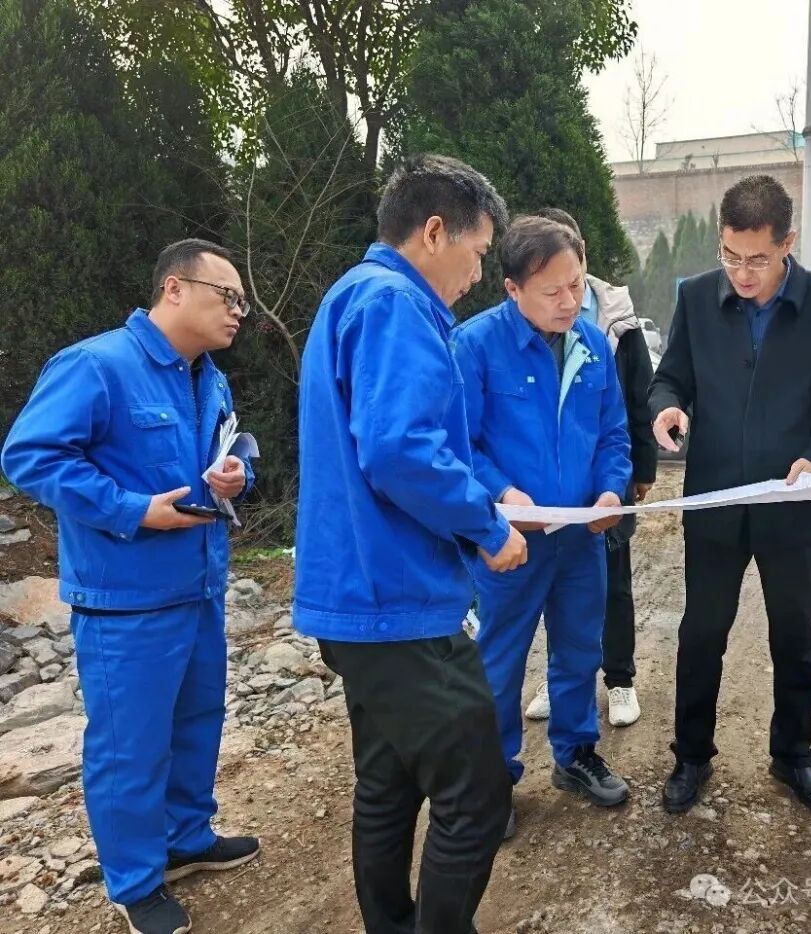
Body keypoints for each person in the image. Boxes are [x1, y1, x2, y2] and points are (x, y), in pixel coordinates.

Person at [292, 154, 527, 934]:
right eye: (478, 252)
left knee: (389, 782)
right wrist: (487, 526)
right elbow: (399, 450)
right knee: (477, 789)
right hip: (396, 601)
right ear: (434, 233)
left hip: (358, 596)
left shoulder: (352, 295)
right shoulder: (396, 303)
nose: (478, 274)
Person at [2, 239, 259, 934]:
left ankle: (187, 838)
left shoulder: (207, 377)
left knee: (197, 723)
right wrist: (132, 509)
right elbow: (29, 455)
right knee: (130, 747)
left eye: (241, 301)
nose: (239, 311)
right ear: (174, 289)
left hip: (198, 588)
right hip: (127, 601)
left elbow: (234, 449)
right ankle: (136, 881)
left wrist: (239, 474)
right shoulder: (96, 365)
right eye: (228, 296)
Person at [649, 174, 811, 816]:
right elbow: (670, 378)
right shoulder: (696, 298)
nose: (742, 274)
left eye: (758, 259)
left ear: (787, 244)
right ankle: (691, 755)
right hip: (715, 502)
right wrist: (667, 408)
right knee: (702, 633)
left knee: (794, 635)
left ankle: (794, 755)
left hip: (793, 506)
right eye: (730, 256)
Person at [453, 215, 633, 839]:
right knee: (499, 659)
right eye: (552, 290)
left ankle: (576, 752)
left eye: (577, 284)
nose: (569, 301)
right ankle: (493, 778)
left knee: (580, 648)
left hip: (580, 538)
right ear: (512, 288)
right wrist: (504, 495)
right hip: (511, 540)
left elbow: (612, 434)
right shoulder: (476, 346)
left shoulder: (593, 344)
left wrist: (610, 488)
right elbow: (459, 445)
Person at [523, 206, 656, 728]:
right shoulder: (523, 319)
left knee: (612, 583)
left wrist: (639, 471)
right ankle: (560, 678)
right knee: (556, 588)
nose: (566, 296)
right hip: (549, 489)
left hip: (607, 478)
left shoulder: (616, 320)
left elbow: (636, 399)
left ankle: (620, 679)